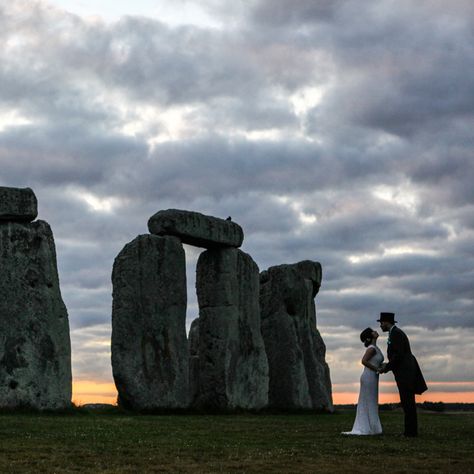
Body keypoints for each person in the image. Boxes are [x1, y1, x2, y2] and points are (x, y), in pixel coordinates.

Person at [377, 312, 427, 437]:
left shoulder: (396, 334)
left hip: (405, 373)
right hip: (404, 372)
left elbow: (398, 355)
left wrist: (386, 367)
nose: (380, 325)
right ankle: (410, 431)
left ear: (387, 322)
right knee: (407, 402)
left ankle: (410, 433)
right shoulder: (394, 333)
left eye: (381, 323)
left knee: (408, 402)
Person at [342, 327, 384, 435]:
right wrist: (377, 369)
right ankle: (367, 427)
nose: (376, 331)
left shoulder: (375, 348)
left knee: (371, 400)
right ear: (370, 337)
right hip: (369, 377)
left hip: (373, 377)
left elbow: (375, 362)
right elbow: (364, 361)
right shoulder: (371, 349)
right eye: (372, 332)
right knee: (368, 400)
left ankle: (372, 426)